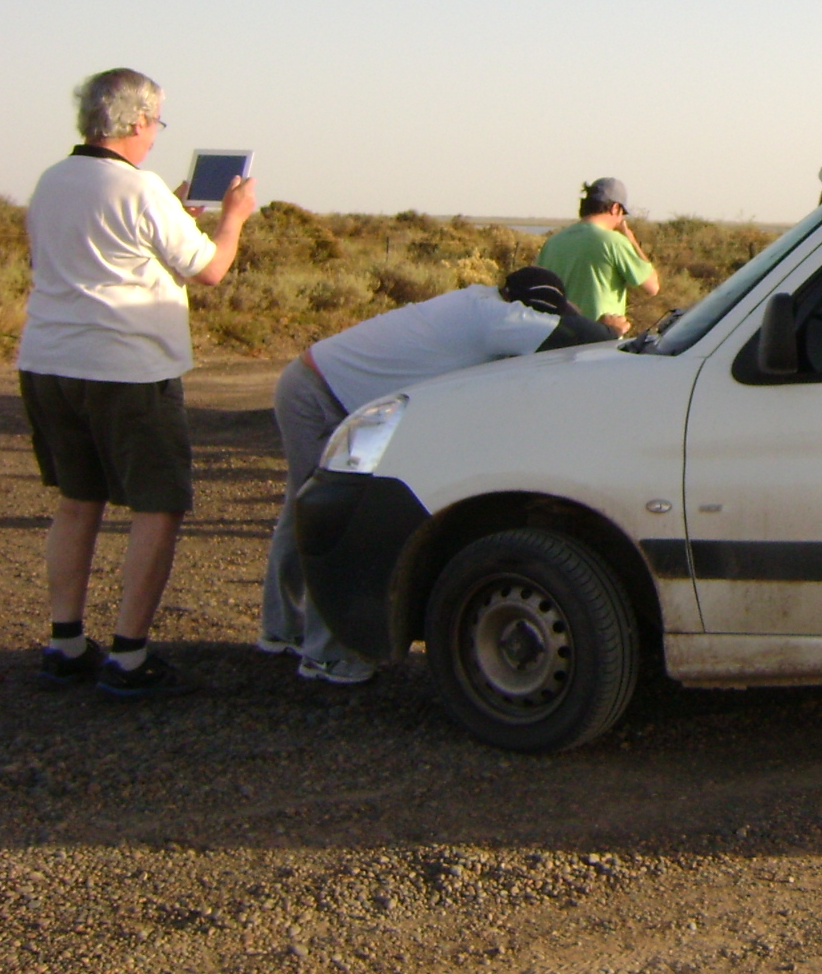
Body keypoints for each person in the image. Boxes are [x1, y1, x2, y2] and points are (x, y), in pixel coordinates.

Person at [16, 68, 257, 699]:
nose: (154, 135)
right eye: (155, 123)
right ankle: (129, 655)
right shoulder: (140, 189)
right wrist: (232, 218)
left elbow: (59, 257)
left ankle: (65, 644)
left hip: (48, 359)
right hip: (126, 368)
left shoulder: (50, 182)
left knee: (77, 498)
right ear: (135, 121)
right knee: (157, 504)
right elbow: (209, 269)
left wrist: (167, 214)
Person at [260, 267, 614, 683]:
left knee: (302, 512)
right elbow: (588, 337)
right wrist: (610, 326)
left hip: (312, 380)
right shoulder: (495, 321)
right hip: (321, 398)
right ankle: (327, 656)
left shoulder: (479, 299)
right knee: (333, 519)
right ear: (526, 308)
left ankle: (281, 630)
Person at [535, 177, 659, 336]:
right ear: (615, 208)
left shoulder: (553, 242)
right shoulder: (614, 242)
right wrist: (631, 240)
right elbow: (652, 286)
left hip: (559, 337)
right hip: (599, 338)